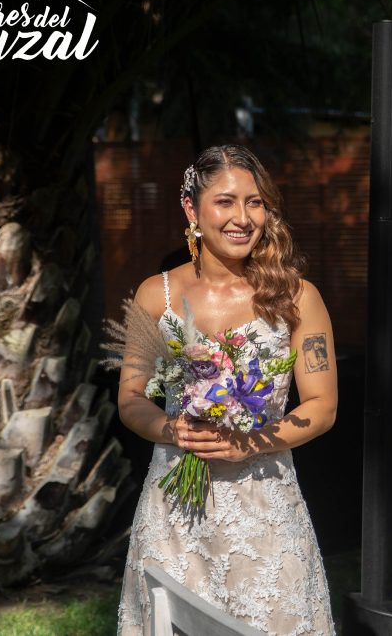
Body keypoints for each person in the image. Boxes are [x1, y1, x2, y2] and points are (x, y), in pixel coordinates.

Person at [116, 144, 337, 635]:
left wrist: (251, 443)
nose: (243, 217)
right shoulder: (157, 295)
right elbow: (131, 399)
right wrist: (172, 427)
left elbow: (321, 408)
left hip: (265, 510)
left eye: (255, 203)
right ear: (192, 210)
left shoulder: (298, 296)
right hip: (174, 511)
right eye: (226, 202)